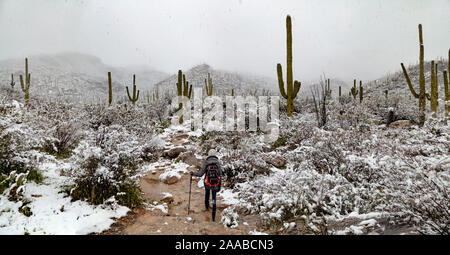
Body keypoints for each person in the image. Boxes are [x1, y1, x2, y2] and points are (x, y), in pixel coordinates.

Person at [190, 149, 223, 222]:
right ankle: (213, 218)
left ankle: (207, 207)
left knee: (207, 194)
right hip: (215, 184)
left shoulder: (206, 162)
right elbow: (221, 174)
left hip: (207, 183)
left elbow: (200, 174)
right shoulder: (218, 163)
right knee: (214, 198)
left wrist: (193, 173)